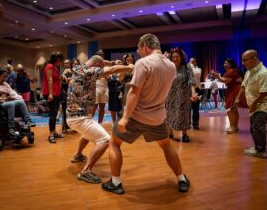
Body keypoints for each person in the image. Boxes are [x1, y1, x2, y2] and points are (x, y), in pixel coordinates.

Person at [102, 33, 190, 195]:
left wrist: (125, 118)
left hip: (136, 116)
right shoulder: (171, 65)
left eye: (139, 49)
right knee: (166, 146)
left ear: (145, 46)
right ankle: (181, 178)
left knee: (114, 143)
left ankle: (115, 182)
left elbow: (134, 93)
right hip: (158, 118)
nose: (138, 52)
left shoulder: (143, 63)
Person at [66, 55, 133, 183]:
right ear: (97, 66)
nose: (102, 68)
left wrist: (110, 61)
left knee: (87, 134)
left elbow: (100, 61)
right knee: (105, 139)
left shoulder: (79, 67)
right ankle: (86, 171)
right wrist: (129, 67)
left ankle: (78, 155)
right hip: (80, 118)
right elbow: (112, 70)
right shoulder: (90, 71)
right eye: (101, 66)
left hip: (73, 116)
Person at [235, 49, 267, 158]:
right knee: (253, 128)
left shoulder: (264, 73)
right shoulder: (249, 72)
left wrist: (252, 105)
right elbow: (243, 86)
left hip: (263, 105)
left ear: (254, 58)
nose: (243, 63)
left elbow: (263, 93)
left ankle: (261, 150)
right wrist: (238, 98)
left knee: (258, 126)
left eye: (245, 60)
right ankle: (258, 147)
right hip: (253, 105)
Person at [0, 68, 36, 137]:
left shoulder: (5, 84)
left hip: (6, 102)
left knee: (20, 101)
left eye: (6, 77)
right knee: (11, 104)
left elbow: (13, 93)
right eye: (3, 77)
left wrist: (20, 99)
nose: (5, 79)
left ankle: (28, 121)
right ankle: (11, 127)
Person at [166, 48, 197, 143]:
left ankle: (184, 134)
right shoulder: (169, 67)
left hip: (183, 95)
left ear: (181, 57)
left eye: (177, 56)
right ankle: (170, 132)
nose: (175, 58)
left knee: (183, 113)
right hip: (170, 95)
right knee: (169, 113)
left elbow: (191, 81)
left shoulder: (187, 67)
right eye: (173, 57)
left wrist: (193, 93)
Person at [212, 58, 247, 133]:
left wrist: (217, 76)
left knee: (230, 109)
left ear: (231, 64)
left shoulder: (232, 71)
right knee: (234, 109)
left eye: (226, 63)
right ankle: (235, 126)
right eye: (224, 63)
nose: (224, 64)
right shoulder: (234, 70)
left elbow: (225, 81)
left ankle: (232, 127)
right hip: (234, 89)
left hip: (234, 90)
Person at [42, 52, 64, 143]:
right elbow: (49, 80)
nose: (61, 62)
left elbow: (54, 79)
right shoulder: (49, 66)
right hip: (51, 93)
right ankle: (51, 134)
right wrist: (51, 94)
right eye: (60, 60)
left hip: (56, 93)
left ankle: (54, 132)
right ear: (58, 60)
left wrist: (60, 78)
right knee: (53, 114)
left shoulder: (54, 67)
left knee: (54, 114)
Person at [60, 59, 73, 133]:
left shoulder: (74, 72)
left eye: (67, 63)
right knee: (65, 111)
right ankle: (64, 128)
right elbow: (61, 83)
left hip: (73, 94)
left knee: (73, 111)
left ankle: (73, 126)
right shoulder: (63, 73)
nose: (65, 64)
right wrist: (63, 76)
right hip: (65, 94)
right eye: (64, 63)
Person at [189, 57, 201, 129]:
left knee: (196, 108)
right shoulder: (188, 69)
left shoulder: (198, 70)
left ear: (195, 63)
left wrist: (190, 67)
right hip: (187, 90)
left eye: (192, 62)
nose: (190, 64)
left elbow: (195, 74)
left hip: (196, 89)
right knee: (187, 108)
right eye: (190, 62)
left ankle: (195, 124)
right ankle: (187, 123)